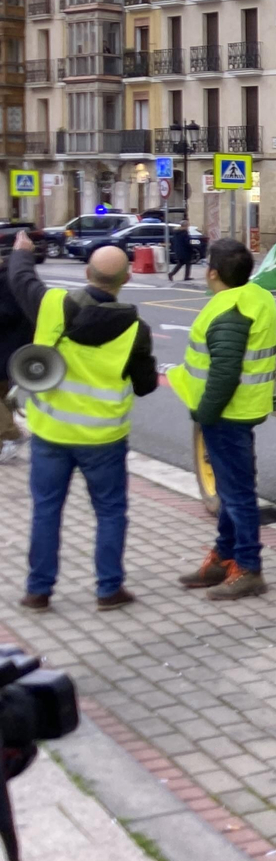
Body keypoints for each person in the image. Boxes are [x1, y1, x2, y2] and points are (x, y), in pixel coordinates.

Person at [10, 233, 158, 611]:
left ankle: (38, 591)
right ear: (126, 279)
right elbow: (145, 386)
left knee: (46, 511)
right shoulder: (136, 330)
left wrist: (22, 252)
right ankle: (109, 589)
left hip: (50, 434)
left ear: (87, 273)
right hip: (104, 440)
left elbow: (21, 279)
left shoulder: (51, 305)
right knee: (110, 512)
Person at [168, 239, 276, 601]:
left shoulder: (228, 310)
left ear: (213, 273)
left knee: (238, 493)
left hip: (226, 414)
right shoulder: (256, 298)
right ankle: (224, 557)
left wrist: (205, 414)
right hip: (242, 410)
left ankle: (248, 568)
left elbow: (225, 371)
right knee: (232, 490)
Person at [0, 238, 30, 464]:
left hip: (7, 347)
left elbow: (8, 313)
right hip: (10, 347)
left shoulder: (6, 279)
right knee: (3, 395)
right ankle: (5, 442)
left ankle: (12, 435)